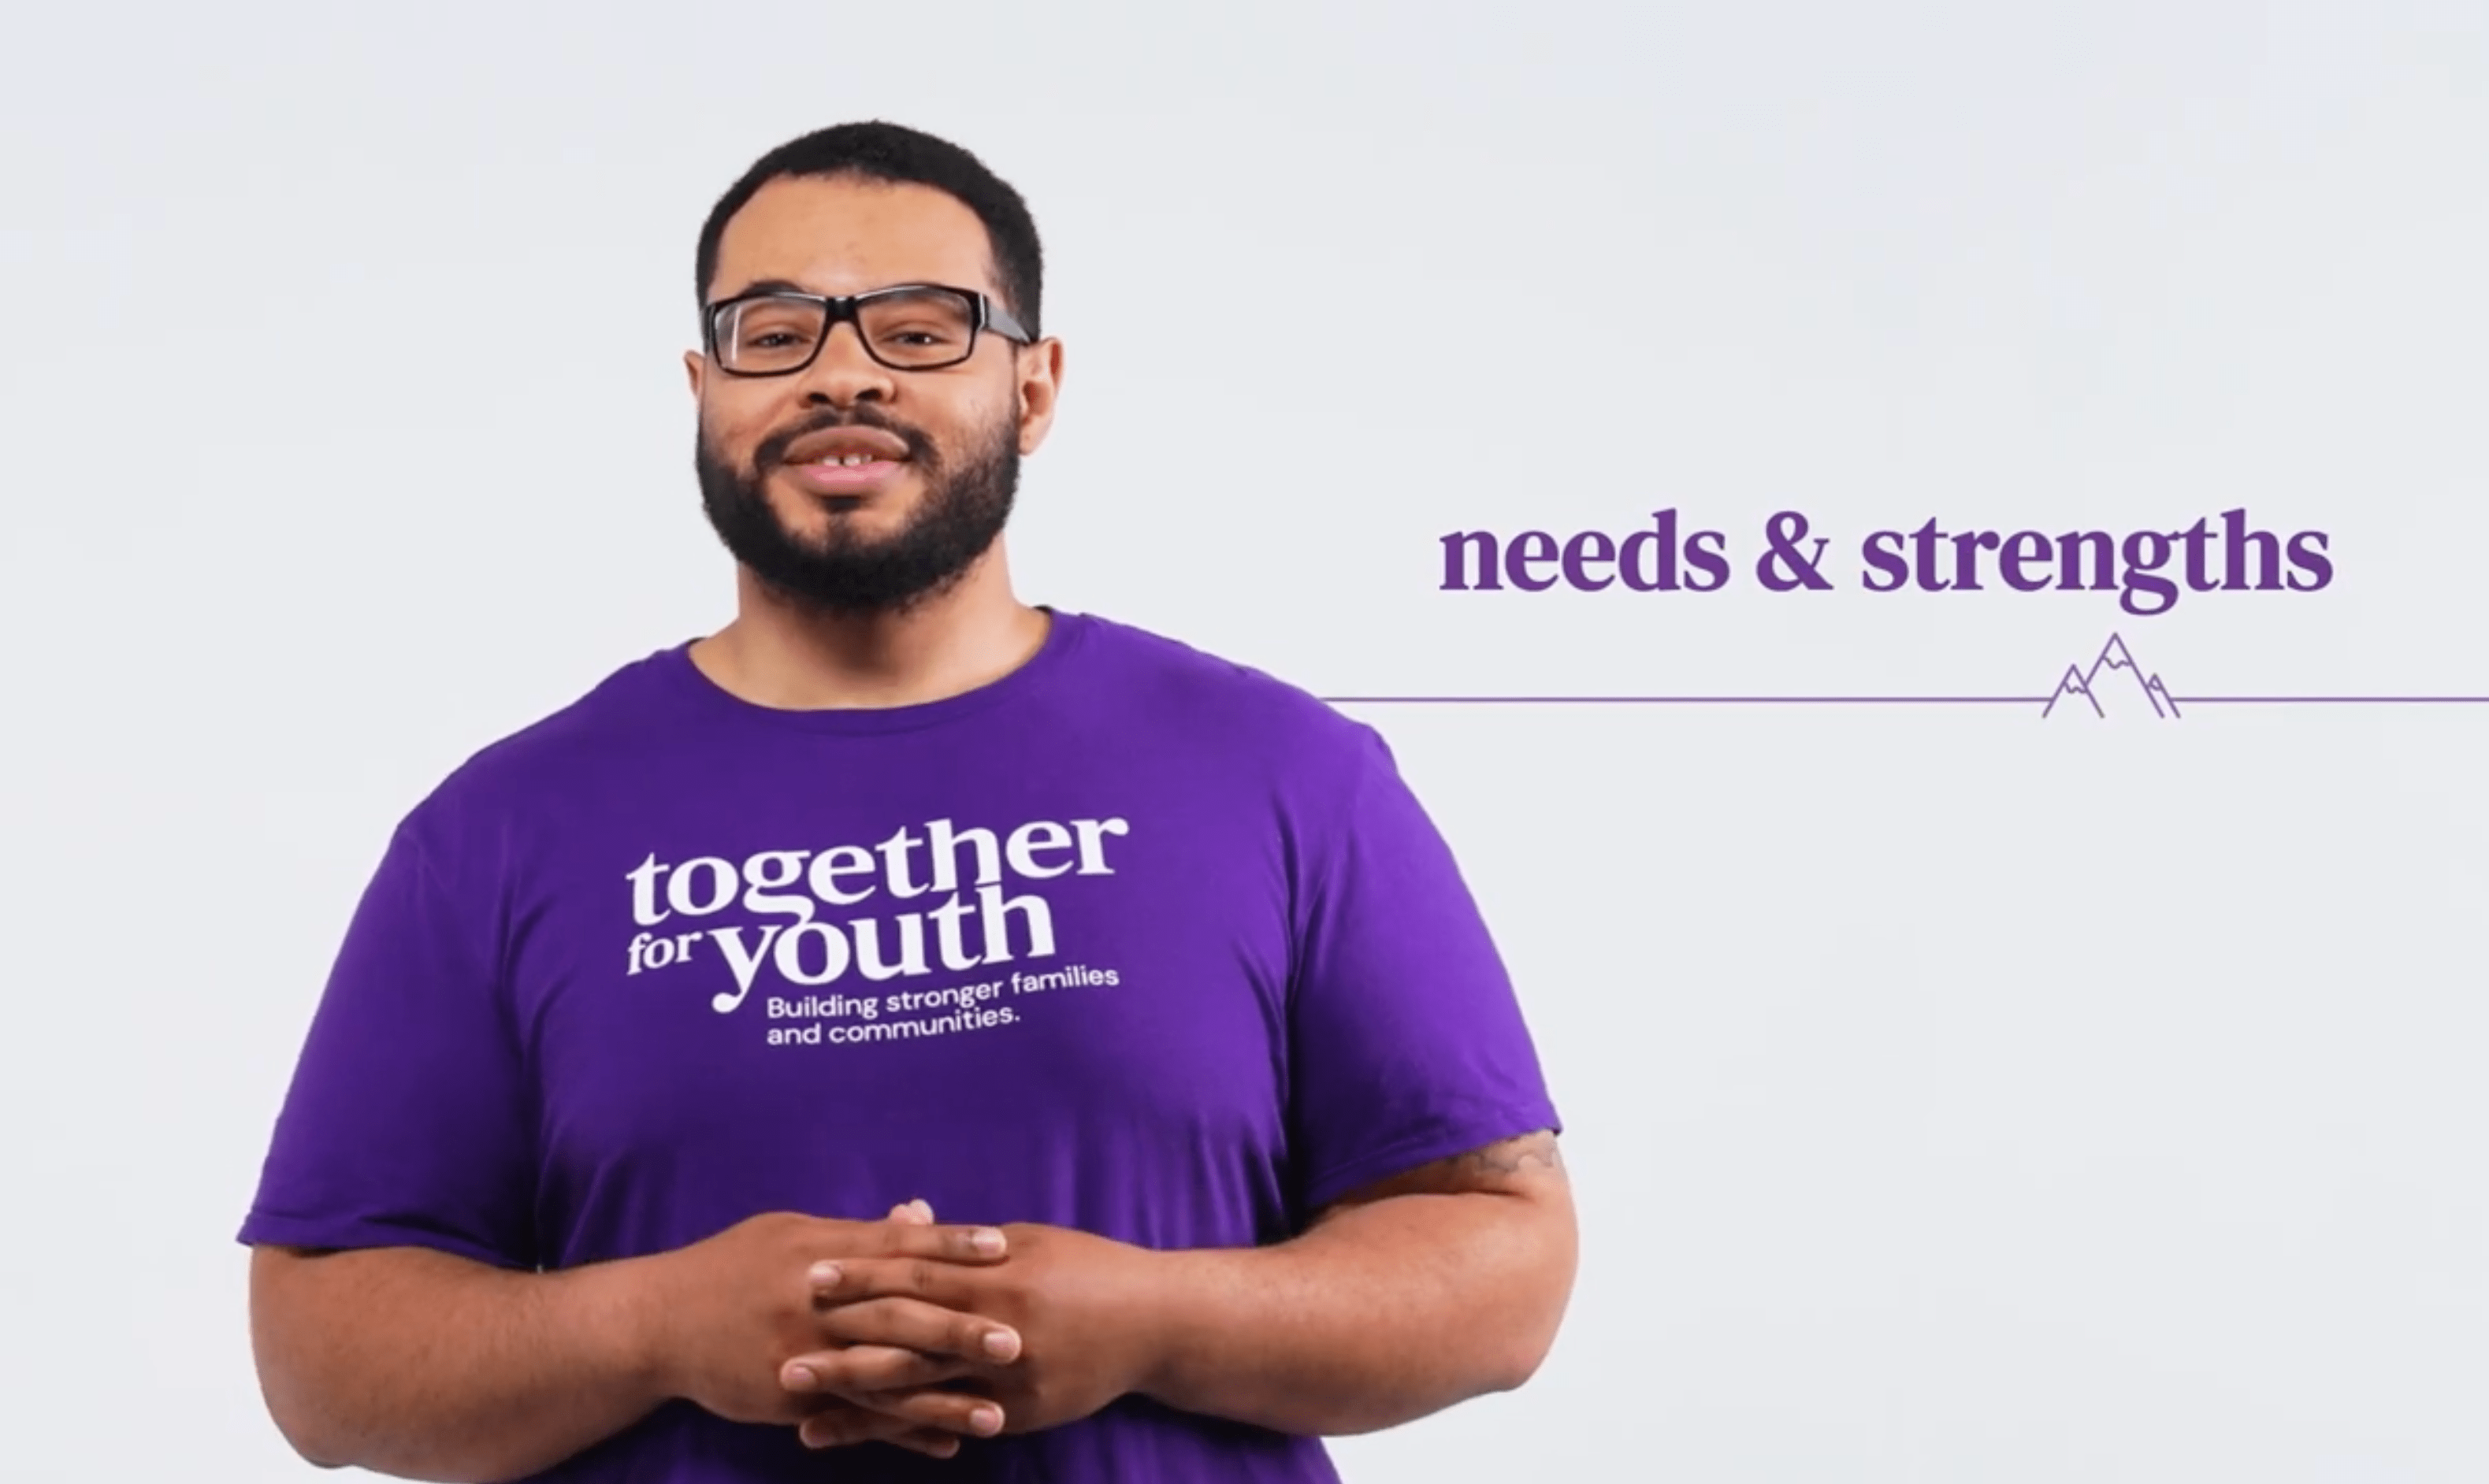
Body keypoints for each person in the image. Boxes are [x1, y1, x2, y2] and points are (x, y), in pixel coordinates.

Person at [237, 120, 1577, 1482]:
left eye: (922, 330)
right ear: (704, 387)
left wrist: (1152, 1322)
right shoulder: (501, 830)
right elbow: (324, 1358)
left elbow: (1503, 1261)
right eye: (775, 331)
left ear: (1035, 387)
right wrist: (651, 1325)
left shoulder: (1282, 773)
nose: (842, 375)